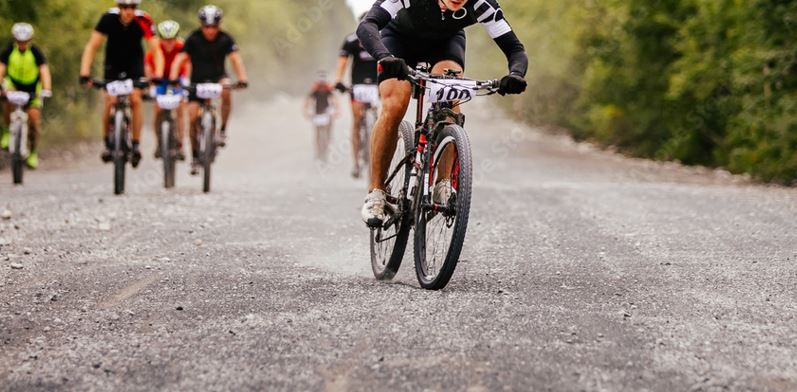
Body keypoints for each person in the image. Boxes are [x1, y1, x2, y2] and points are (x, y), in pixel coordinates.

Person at [357, 0, 529, 226]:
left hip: (445, 44)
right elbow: (367, 25)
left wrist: (515, 74)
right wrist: (384, 56)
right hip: (398, 41)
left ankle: (443, 183)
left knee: (450, 96)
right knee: (394, 104)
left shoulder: (482, 4)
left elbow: (515, 48)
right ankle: (377, 192)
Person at [79, 0, 164, 168]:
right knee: (110, 100)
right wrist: (84, 72)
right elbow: (92, 46)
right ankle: (107, 143)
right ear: (119, 8)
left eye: (132, 7)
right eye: (125, 7)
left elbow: (156, 50)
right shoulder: (107, 19)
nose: (128, 11)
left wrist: (158, 74)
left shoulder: (144, 20)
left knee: (135, 99)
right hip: (113, 66)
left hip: (134, 66)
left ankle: (136, 144)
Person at [170, 5, 248, 176]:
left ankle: (222, 131)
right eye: (206, 26)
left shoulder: (226, 39)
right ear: (201, 25)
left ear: (219, 25)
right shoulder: (193, 39)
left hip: (218, 77)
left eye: (214, 26)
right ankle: (195, 156)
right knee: (191, 117)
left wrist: (242, 78)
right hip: (196, 82)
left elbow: (236, 60)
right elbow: (180, 59)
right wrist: (174, 79)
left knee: (227, 89)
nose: (210, 30)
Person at [0, 23, 52, 170]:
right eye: (19, 41)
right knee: (7, 103)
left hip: (32, 89)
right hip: (14, 85)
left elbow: (44, 71)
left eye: (25, 41)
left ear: (29, 40)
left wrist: (46, 88)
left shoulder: (35, 52)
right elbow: (1, 69)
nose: (22, 44)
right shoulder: (8, 51)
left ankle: (33, 151)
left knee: (34, 120)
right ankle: (6, 132)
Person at [335, 13, 379, 178]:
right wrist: (338, 80)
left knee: (380, 118)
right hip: (357, 85)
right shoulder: (352, 40)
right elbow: (343, 62)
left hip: (376, 84)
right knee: (357, 120)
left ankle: (377, 156)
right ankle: (356, 162)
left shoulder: (380, 39)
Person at [145, 20, 188, 161]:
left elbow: (188, 64)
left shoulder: (182, 47)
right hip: (160, 79)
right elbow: (148, 67)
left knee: (180, 107)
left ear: (176, 38)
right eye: (165, 40)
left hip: (178, 79)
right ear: (160, 38)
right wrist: (150, 84)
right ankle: (159, 142)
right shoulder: (155, 48)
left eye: (171, 40)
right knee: (157, 108)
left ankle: (180, 144)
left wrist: (185, 81)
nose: (168, 44)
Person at [304, 72, 340, 162]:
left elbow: (334, 100)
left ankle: (327, 148)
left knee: (328, 131)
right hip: (317, 112)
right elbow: (308, 100)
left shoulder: (328, 88)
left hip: (327, 112)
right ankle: (317, 151)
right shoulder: (315, 89)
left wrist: (336, 110)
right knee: (317, 133)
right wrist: (306, 111)